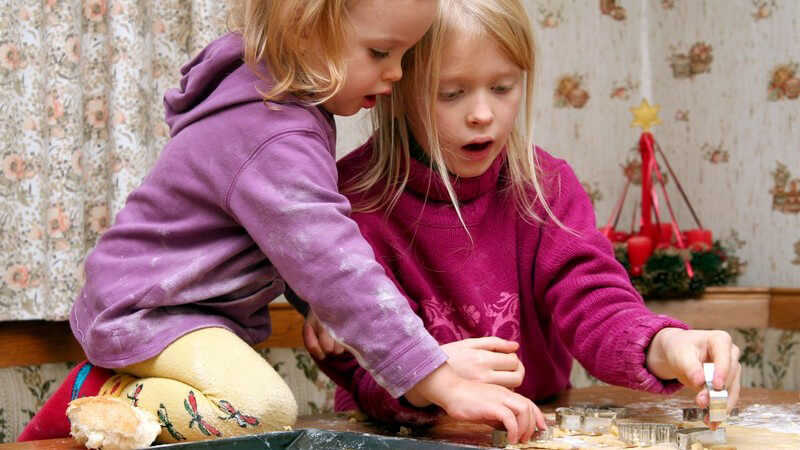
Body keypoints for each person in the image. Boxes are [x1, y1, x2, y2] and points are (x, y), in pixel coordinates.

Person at [19, 0, 539, 445]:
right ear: (304, 27)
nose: (396, 72)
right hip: (148, 310)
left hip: (168, 306)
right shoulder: (275, 131)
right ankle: (95, 394)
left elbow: (281, 240)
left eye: (405, 54)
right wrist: (437, 378)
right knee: (262, 409)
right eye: (381, 52)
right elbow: (334, 262)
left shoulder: (282, 108)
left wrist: (314, 304)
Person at [297, 0, 742, 432]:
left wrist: (664, 344)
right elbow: (350, 359)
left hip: (530, 433)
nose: (483, 114)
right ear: (397, 88)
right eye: (450, 93)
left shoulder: (547, 188)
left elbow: (595, 304)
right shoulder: (347, 202)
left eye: (504, 87)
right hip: (398, 436)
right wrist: (426, 380)